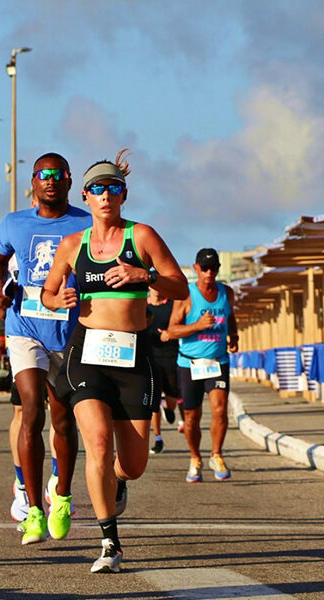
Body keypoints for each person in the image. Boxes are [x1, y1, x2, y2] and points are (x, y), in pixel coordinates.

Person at [42, 151, 188, 573]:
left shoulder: (141, 237)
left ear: (124, 195)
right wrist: (59, 298)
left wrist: (146, 277)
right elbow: (48, 292)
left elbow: (179, 286)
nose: (107, 196)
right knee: (98, 445)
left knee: (135, 464)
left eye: (114, 188)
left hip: (131, 356)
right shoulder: (73, 245)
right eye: (99, 189)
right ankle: (109, 542)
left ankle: (118, 481)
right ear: (86, 196)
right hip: (86, 355)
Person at [0, 152, 91, 544]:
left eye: (57, 174)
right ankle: (32, 508)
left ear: (68, 180)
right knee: (31, 408)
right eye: (42, 175)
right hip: (24, 325)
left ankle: (61, 494)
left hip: (69, 330)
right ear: (33, 181)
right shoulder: (14, 223)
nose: (50, 180)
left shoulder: (86, 222)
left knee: (64, 420)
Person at [165, 248, 239, 483]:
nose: (209, 273)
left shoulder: (227, 293)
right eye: (204, 268)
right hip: (189, 363)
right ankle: (194, 457)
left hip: (218, 361)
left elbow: (230, 317)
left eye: (214, 268)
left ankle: (216, 454)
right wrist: (197, 325)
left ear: (218, 269)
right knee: (191, 416)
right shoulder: (186, 295)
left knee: (219, 409)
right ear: (196, 268)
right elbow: (172, 330)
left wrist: (234, 336)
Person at [146, 287, 182, 454]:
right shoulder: (142, 305)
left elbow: (181, 324)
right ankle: (158, 438)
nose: (156, 289)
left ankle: (168, 407)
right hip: (149, 356)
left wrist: (170, 332)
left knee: (172, 398)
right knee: (153, 401)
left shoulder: (173, 305)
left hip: (170, 355)